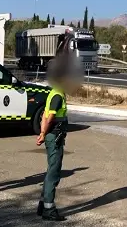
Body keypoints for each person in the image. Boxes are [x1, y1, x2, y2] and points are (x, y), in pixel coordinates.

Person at [36, 54, 81, 221]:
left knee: (50, 170)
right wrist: (43, 133)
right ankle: (49, 209)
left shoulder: (54, 93)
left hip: (52, 136)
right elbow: (49, 118)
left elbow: (44, 115)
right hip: (55, 137)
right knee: (54, 173)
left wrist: (42, 133)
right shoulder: (57, 96)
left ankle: (43, 205)